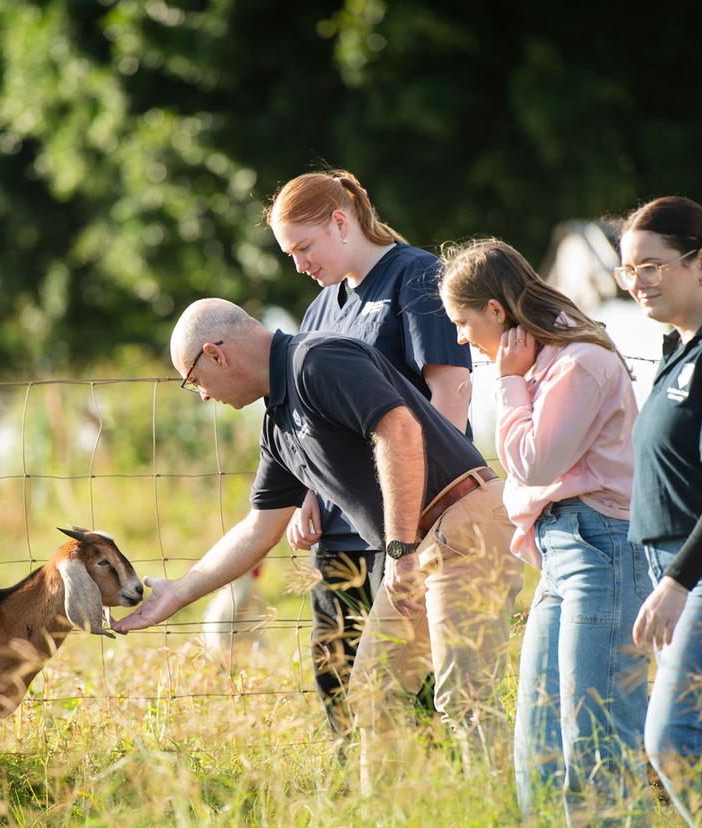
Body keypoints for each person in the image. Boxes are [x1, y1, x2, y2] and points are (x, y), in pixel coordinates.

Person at [112, 297, 522, 784]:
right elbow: (259, 527)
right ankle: (391, 817)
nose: (201, 395)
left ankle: (509, 811)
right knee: (374, 692)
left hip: (460, 522)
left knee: (464, 697)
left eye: (194, 380)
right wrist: (177, 592)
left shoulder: (318, 359)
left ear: (215, 355)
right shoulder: (278, 422)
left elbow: (399, 431)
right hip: (423, 543)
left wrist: (398, 550)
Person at [439, 239, 653, 825]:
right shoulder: (546, 364)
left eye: (462, 321)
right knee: (538, 738)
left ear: (496, 312)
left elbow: (534, 462)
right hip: (565, 553)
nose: (460, 338)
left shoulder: (578, 362)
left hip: (600, 550)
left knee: (597, 732)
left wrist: (508, 383)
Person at [264, 169, 473, 736]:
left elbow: (450, 392)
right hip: (338, 530)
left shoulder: (419, 276)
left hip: (407, 528)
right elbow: (320, 419)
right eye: (289, 253)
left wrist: (424, 509)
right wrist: (309, 491)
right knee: (337, 681)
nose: (299, 265)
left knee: (408, 691)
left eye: (304, 247)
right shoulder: (318, 311)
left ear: (341, 220)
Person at [616, 196, 702, 826]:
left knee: (677, 742)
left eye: (652, 267)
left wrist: (678, 580)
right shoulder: (680, 344)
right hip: (683, 568)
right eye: (628, 271)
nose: (637, 283)